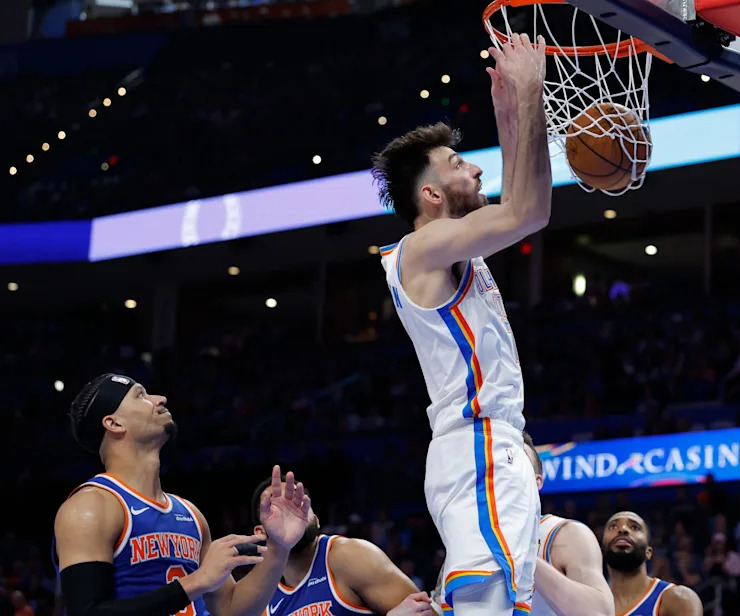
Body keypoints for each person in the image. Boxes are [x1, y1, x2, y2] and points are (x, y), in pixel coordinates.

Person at [371, 32, 552, 616]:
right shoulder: (422, 248)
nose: (474, 169)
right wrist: (531, 90)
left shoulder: (450, 249)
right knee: (491, 604)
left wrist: (511, 111)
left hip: (486, 447)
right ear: (430, 193)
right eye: (457, 164)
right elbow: (528, 211)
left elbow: (515, 206)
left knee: (499, 604)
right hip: (477, 446)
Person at [54, 374, 310, 616]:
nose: (160, 399)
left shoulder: (190, 515)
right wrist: (197, 581)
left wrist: (279, 547)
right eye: (140, 395)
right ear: (114, 423)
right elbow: (87, 612)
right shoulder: (91, 506)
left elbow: (230, 610)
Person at [248, 478, 435, 616]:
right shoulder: (260, 601)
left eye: (297, 500)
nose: (289, 509)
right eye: (276, 505)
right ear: (260, 532)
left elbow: (428, 613)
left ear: (316, 520)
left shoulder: (350, 557)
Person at [520, 433, 613, 616]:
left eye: (518, 460)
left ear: (537, 482)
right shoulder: (469, 537)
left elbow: (599, 613)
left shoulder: (566, 534)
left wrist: (523, 553)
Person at [601, 511, 703, 616]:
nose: (623, 529)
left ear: (648, 552)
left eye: (634, 527)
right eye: (613, 527)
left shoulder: (678, 599)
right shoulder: (594, 607)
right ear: (601, 551)